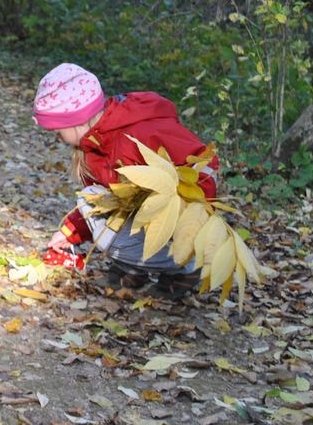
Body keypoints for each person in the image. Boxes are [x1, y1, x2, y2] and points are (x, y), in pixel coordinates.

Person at [33, 63, 219, 299]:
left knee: (98, 218)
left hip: (183, 224)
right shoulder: (94, 146)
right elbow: (105, 200)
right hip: (146, 219)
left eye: (58, 131)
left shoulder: (140, 134)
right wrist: (71, 232)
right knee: (92, 197)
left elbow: (201, 164)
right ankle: (135, 266)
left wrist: (191, 215)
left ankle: (186, 265)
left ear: (77, 120)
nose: (58, 138)